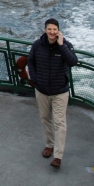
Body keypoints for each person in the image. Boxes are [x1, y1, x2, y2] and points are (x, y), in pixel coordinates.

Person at [28, 18, 78, 168]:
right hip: (42, 90)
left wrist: (61, 46)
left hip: (60, 91)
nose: (52, 32)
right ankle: (49, 145)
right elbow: (31, 61)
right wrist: (36, 79)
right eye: (49, 29)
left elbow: (73, 62)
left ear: (58, 30)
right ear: (45, 30)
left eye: (54, 29)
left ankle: (58, 155)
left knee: (60, 123)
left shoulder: (66, 45)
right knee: (45, 119)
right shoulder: (38, 45)